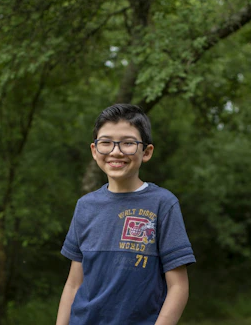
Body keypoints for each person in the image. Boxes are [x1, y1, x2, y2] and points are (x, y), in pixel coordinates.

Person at [56, 104, 196, 325]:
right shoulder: (85, 206)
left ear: (147, 151)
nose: (116, 151)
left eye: (128, 143)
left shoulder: (163, 203)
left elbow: (178, 287)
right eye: (106, 142)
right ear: (94, 151)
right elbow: (74, 284)